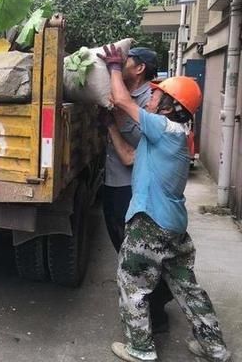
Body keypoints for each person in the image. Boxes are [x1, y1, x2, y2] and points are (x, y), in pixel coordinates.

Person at [100, 44, 231, 362]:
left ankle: (140, 348)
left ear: (172, 106)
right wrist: (110, 128)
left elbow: (121, 100)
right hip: (173, 225)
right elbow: (129, 157)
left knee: (131, 281)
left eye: (159, 94)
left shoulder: (165, 128)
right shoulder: (169, 134)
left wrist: (116, 67)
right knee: (187, 287)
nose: (152, 95)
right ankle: (214, 347)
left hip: (151, 223)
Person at [102, 47, 173, 332]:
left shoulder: (152, 102)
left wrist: (113, 70)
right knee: (121, 245)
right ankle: (149, 301)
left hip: (133, 188)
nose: (120, 64)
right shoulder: (124, 95)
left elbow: (131, 151)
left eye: (126, 60)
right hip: (112, 181)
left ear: (139, 67)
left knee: (139, 255)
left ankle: (155, 312)